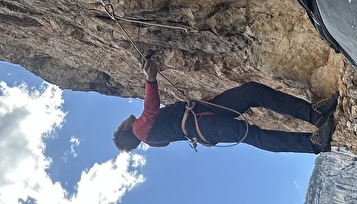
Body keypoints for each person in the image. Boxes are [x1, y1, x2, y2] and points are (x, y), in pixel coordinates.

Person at [112, 52, 338, 154]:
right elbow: (150, 109)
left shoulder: (151, 141)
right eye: (122, 124)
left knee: (251, 91)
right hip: (204, 124)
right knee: (251, 134)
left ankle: (314, 115)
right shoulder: (139, 130)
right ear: (125, 129)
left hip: (204, 116)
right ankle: (313, 144)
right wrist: (150, 79)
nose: (125, 120)